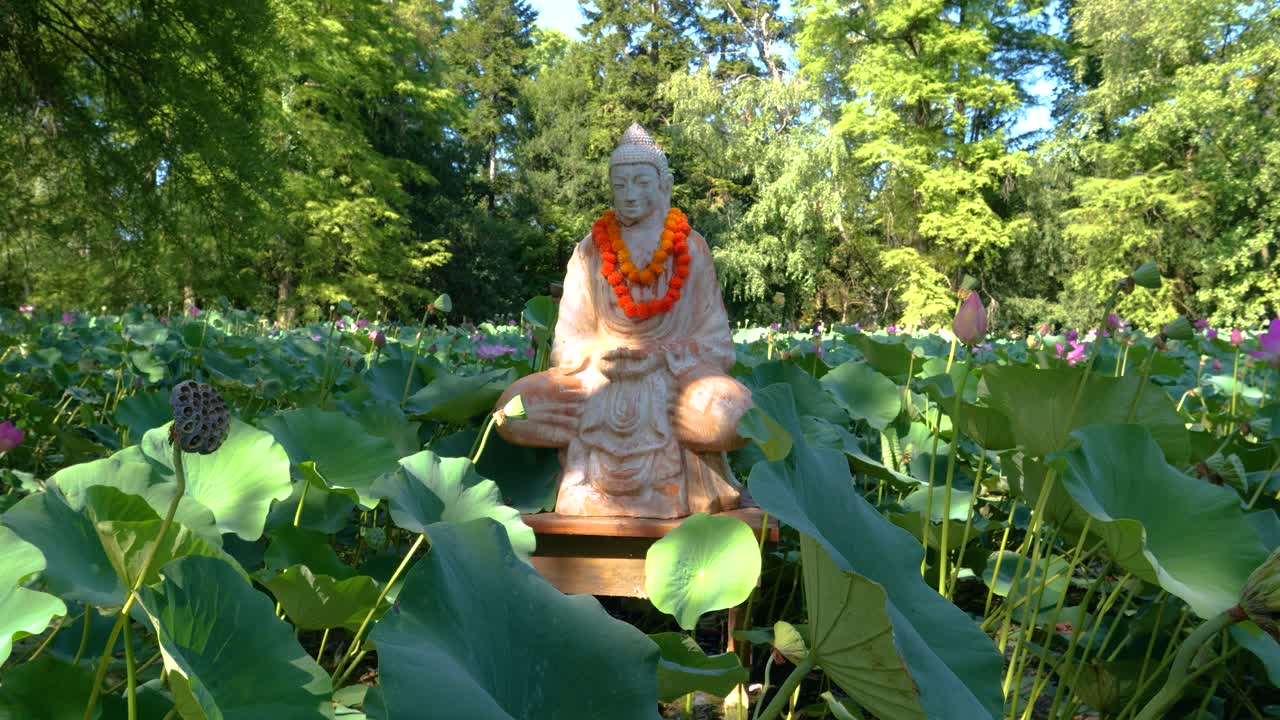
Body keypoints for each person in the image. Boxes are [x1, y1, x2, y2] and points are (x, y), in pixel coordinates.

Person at [494, 124, 753, 518]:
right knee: (512, 409)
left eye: (641, 182)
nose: (630, 194)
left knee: (733, 414)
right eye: (621, 184)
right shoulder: (590, 250)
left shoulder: (690, 247)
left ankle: (669, 483)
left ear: (663, 184)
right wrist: (596, 357)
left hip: (674, 381)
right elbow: (567, 340)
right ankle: (590, 482)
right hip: (598, 377)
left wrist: (662, 358)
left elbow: (717, 343)